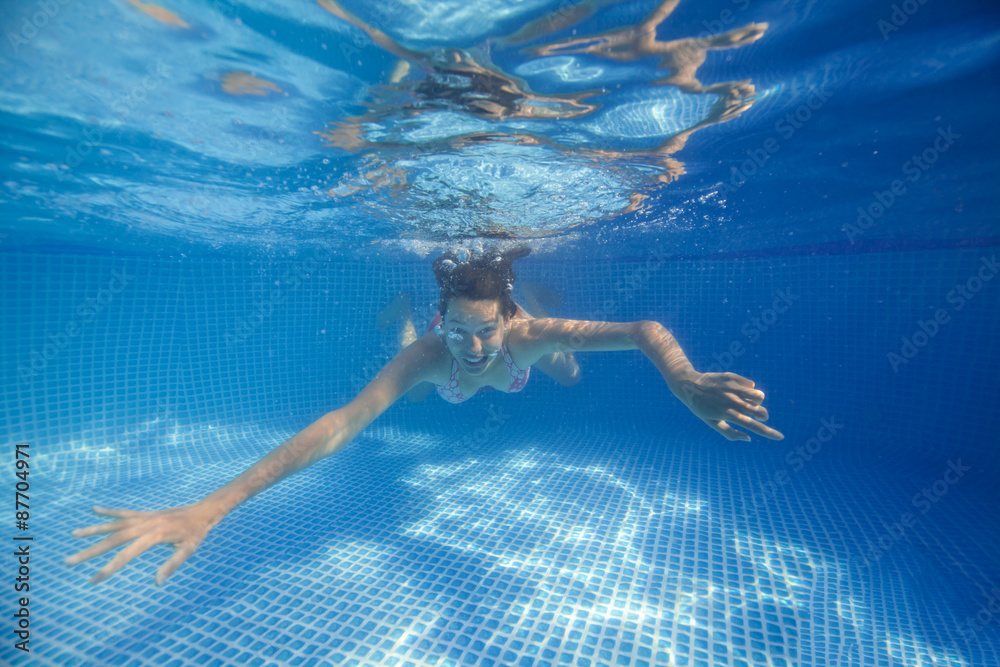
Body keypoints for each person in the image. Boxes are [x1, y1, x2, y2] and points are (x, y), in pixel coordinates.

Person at [65, 245, 783, 586]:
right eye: (460, 329)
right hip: (448, 381)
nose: (473, 345)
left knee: (565, 370)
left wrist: (683, 379)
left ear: (507, 318)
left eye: (486, 329)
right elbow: (343, 424)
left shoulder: (518, 338)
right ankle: (403, 323)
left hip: (528, 361)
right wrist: (214, 504)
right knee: (418, 382)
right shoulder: (444, 353)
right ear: (447, 318)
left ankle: (538, 318)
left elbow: (646, 329)